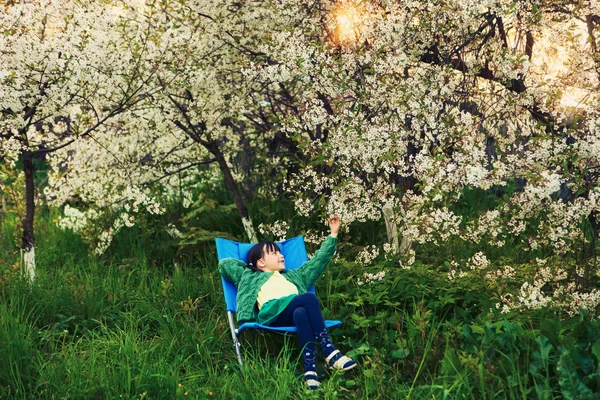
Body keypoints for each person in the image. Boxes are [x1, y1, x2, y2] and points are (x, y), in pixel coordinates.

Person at [218, 215, 357, 390]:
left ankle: (310, 372)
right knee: (308, 298)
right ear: (261, 262)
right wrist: (250, 267)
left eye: (280, 251)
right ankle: (328, 350)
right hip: (271, 313)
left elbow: (317, 262)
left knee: (301, 313)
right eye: (274, 253)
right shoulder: (250, 277)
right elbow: (224, 265)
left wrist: (333, 235)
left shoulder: (294, 276)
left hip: (291, 315)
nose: (281, 255)